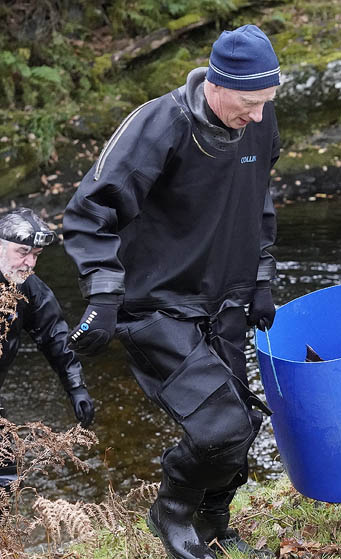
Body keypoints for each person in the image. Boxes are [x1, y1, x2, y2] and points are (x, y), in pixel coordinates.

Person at [62, 24, 280, 559]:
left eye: (267, 102)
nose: (258, 116)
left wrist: (262, 276)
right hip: (156, 305)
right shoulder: (160, 124)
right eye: (250, 103)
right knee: (220, 426)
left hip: (224, 300)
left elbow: (258, 200)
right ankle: (172, 511)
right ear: (217, 84)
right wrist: (104, 294)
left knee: (245, 420)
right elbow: (89, 213)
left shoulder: (258, 118)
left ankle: (214, 523)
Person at [0, 208, 95, 489]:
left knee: (5, 473)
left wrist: (75, 385)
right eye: (22, 252)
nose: (30, 263)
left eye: (36, 255)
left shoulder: (27, 286)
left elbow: (54, 334)